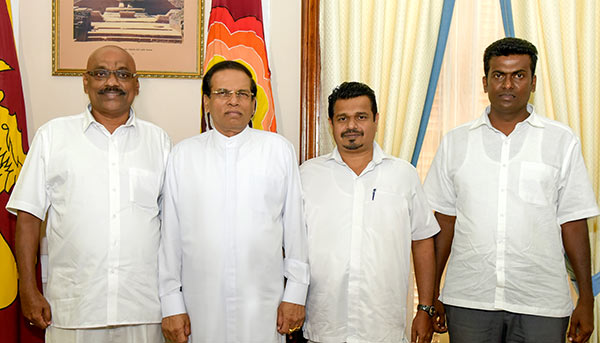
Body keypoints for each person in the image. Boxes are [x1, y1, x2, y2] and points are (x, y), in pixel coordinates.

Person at [424, 37, 599, 343]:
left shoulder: (561, 141)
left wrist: (586, 298)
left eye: (518, 75)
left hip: (541, 302)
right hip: (469, 299)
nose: (508, 84)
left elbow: (572, 222)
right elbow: (444, 223)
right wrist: (431, 296)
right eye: (498, 75)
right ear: (485, 82)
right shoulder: (455, 142)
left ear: (533, 82)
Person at [8, 45, 171, 342]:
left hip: (144, 309)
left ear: (136, 84)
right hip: (72, 310)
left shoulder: (158, 141)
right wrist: (28, 289)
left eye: (122, 74)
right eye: (101, 73)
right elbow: (28, 217)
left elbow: (173, 226)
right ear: (85, 81)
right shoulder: (53, 136)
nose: (112, 82)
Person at [159, 60, 309, 343]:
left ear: (253, 104)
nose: (233, 101)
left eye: (242, 94)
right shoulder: (183, 155)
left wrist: (296, 294)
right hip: (199, 305)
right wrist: (170, 303)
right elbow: (170, 237)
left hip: (264, 305)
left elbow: (295, 231)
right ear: (206, 101)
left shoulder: (278, 150)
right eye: (223, 93)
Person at [300, 82, 439, 343]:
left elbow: (422, 242)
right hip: (324, 326)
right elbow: (293, 246)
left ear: (375, 120)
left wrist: (425, 309)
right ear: (331, 123)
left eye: (361, 117)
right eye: (343, 118)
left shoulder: (403, 175)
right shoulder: (307, 175)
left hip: (383, 328)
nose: (351, 126)